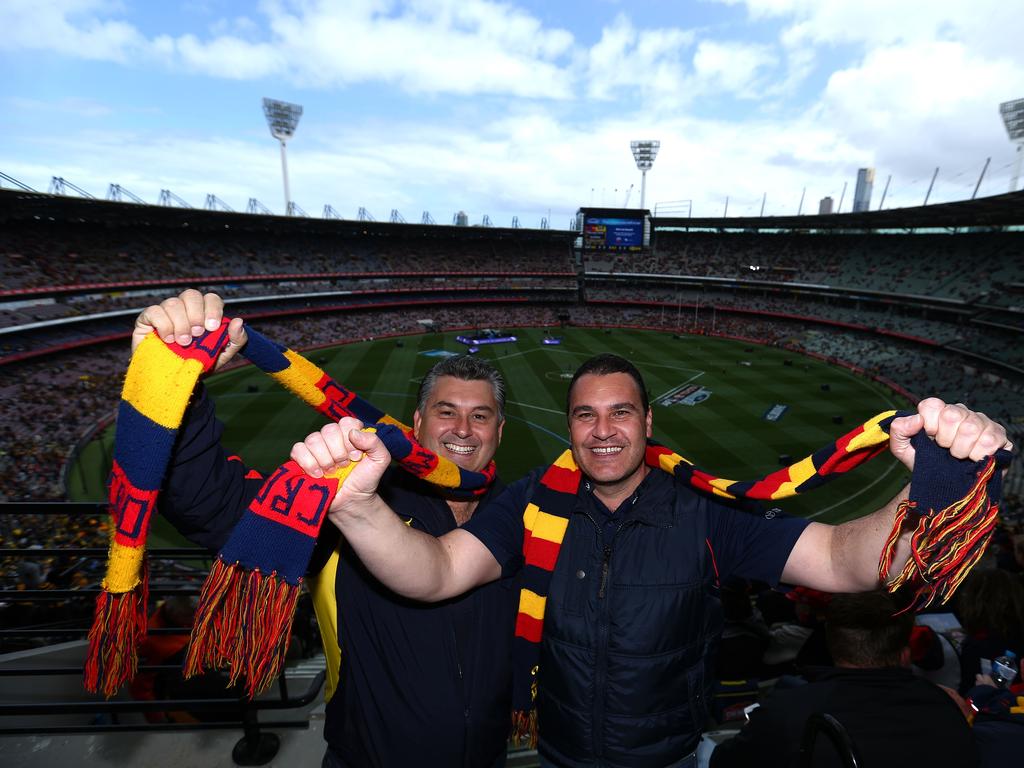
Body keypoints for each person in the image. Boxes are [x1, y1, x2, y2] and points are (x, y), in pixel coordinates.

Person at [292, 353, 1010, 768]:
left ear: (648, 423)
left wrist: (936, 487)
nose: (603, 431)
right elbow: (435, 573)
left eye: (621, 413)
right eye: (585, 415)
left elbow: (847, 561)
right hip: (562, 760)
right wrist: (357, 506)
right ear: (568, 426)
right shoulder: (532, 502)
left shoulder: (706, 510)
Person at [134, 289, 516, 768]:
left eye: (480, 416)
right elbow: (206, 501)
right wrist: (177, 389)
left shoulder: (521, 511)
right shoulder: (350, 493)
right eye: (446, 412)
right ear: (417, 423)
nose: (463, 429)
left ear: (499, 432)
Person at [709, 590, 977, 767]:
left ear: (833, 644)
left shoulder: (787, 710)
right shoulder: (946, 706)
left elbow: (722, 762)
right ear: (903, 651)